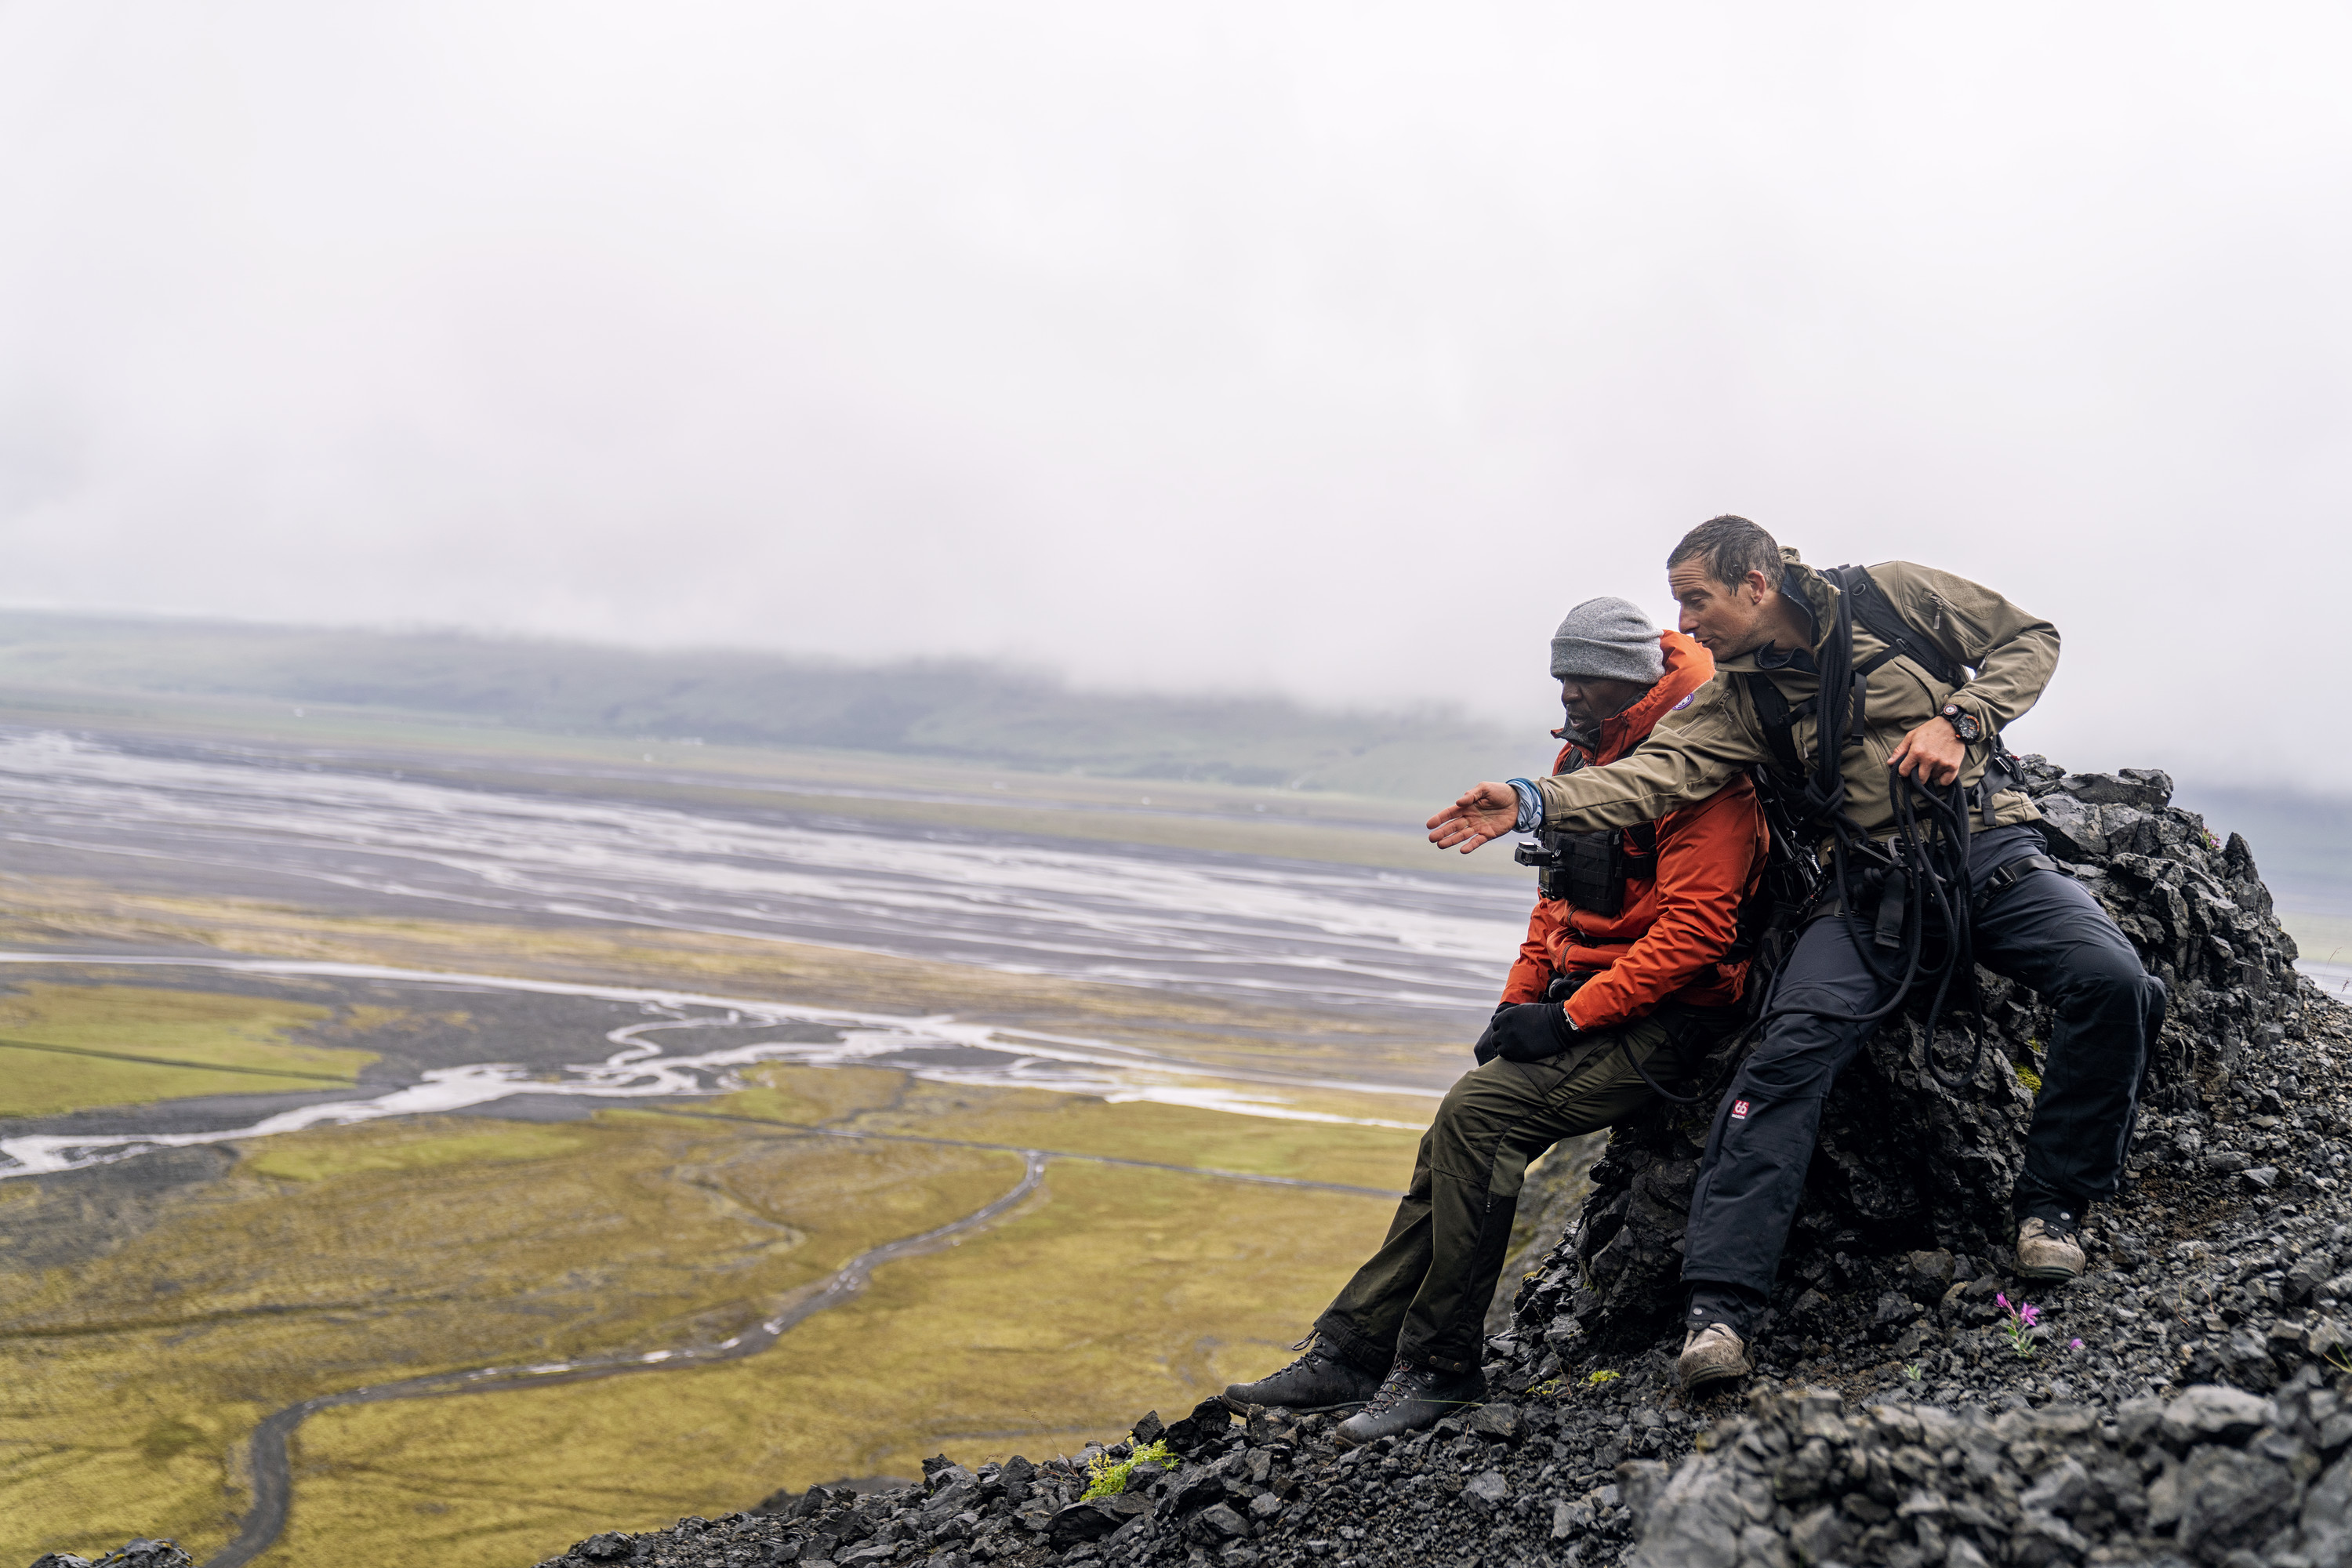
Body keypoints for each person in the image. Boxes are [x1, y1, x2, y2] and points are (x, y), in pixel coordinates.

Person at [1425, 515, 2167, 1395]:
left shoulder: (1893, 595)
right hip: (1867, 888)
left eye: (1696, 601)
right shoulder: (1739, 703)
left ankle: (2052, 1209)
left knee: (2117, 981)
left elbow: (2030, 638)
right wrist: (1531, 799)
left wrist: (1961, 718)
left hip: (1987, 850)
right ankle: (1719, 1312)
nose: (1688, 626)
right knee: (1781, 1057)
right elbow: (1652, 776)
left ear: (1756, 581)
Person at [1222, 597, 1766, 1446]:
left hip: (1676, 1016)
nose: (1565, 694)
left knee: (1479, 1117)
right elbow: (1556, 903)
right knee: (1461, 1119)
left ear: (1626, 677)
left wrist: (1567, 1020)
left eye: (1579, 678)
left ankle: (1441, 1370)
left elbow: (1699, 936)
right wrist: (1519, 999)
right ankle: (1352, 1346)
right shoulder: (1578, 755)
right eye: (1560, 677)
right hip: (1593, 1000)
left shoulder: (1702, 768)